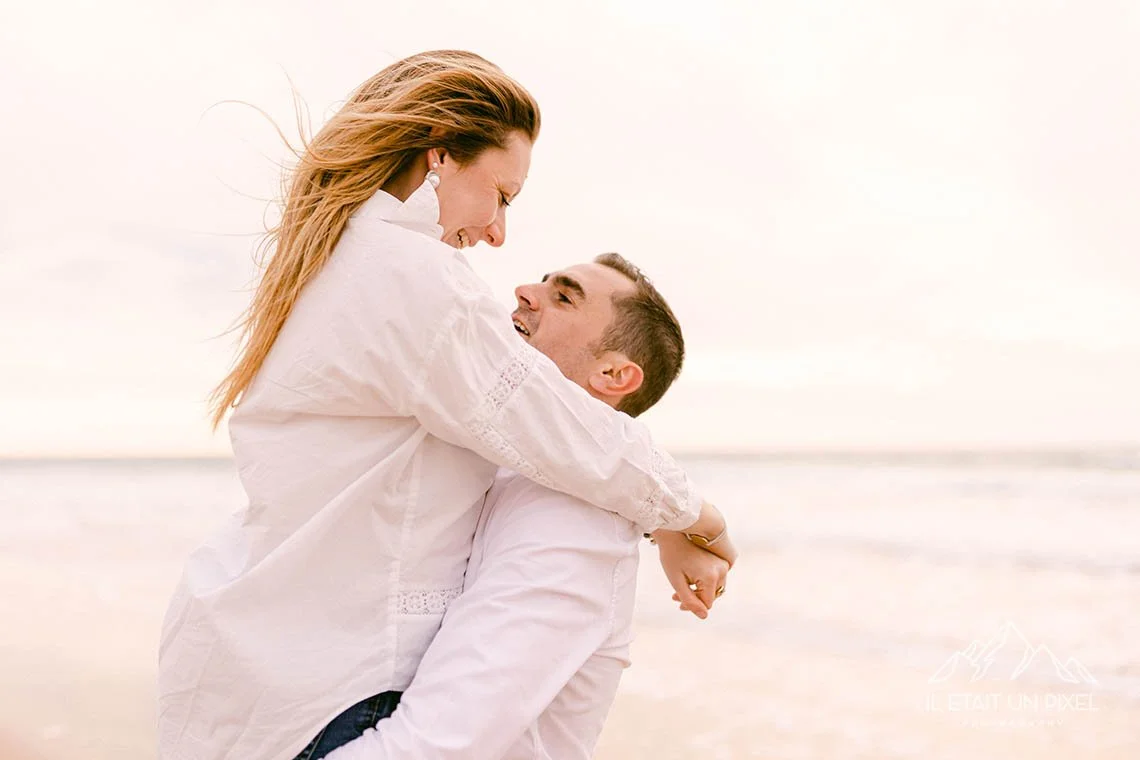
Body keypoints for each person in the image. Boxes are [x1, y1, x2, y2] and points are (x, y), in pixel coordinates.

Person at [157, 51, 736, 760]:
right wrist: (695, 520)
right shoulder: (412, 280)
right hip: (324, 689)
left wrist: (668, 522)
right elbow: (559, 424)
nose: (497, 234)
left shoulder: (345, 259)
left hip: (246, 670)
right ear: (440, 158)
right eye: (501, 195)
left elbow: (556, 426)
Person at [311, 253, 733, 760]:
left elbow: (433, 746)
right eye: (544, 281)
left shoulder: (574, 528)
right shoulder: (499, 465)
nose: (525, 291)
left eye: (563, 297)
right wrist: (671, 526)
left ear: (615, 374)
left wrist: (682, 523)